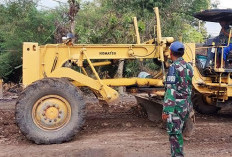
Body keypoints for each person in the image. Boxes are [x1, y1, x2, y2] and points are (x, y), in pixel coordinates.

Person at [162, 41, 193, 157]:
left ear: (170, 53)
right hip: (186, 105)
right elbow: (188, 86)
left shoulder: (173, 67)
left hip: (176, 106)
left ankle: (178, 155)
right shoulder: (189, 66)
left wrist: (166, 111)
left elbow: (171, 90)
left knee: (174, 134)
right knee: (178, 132)